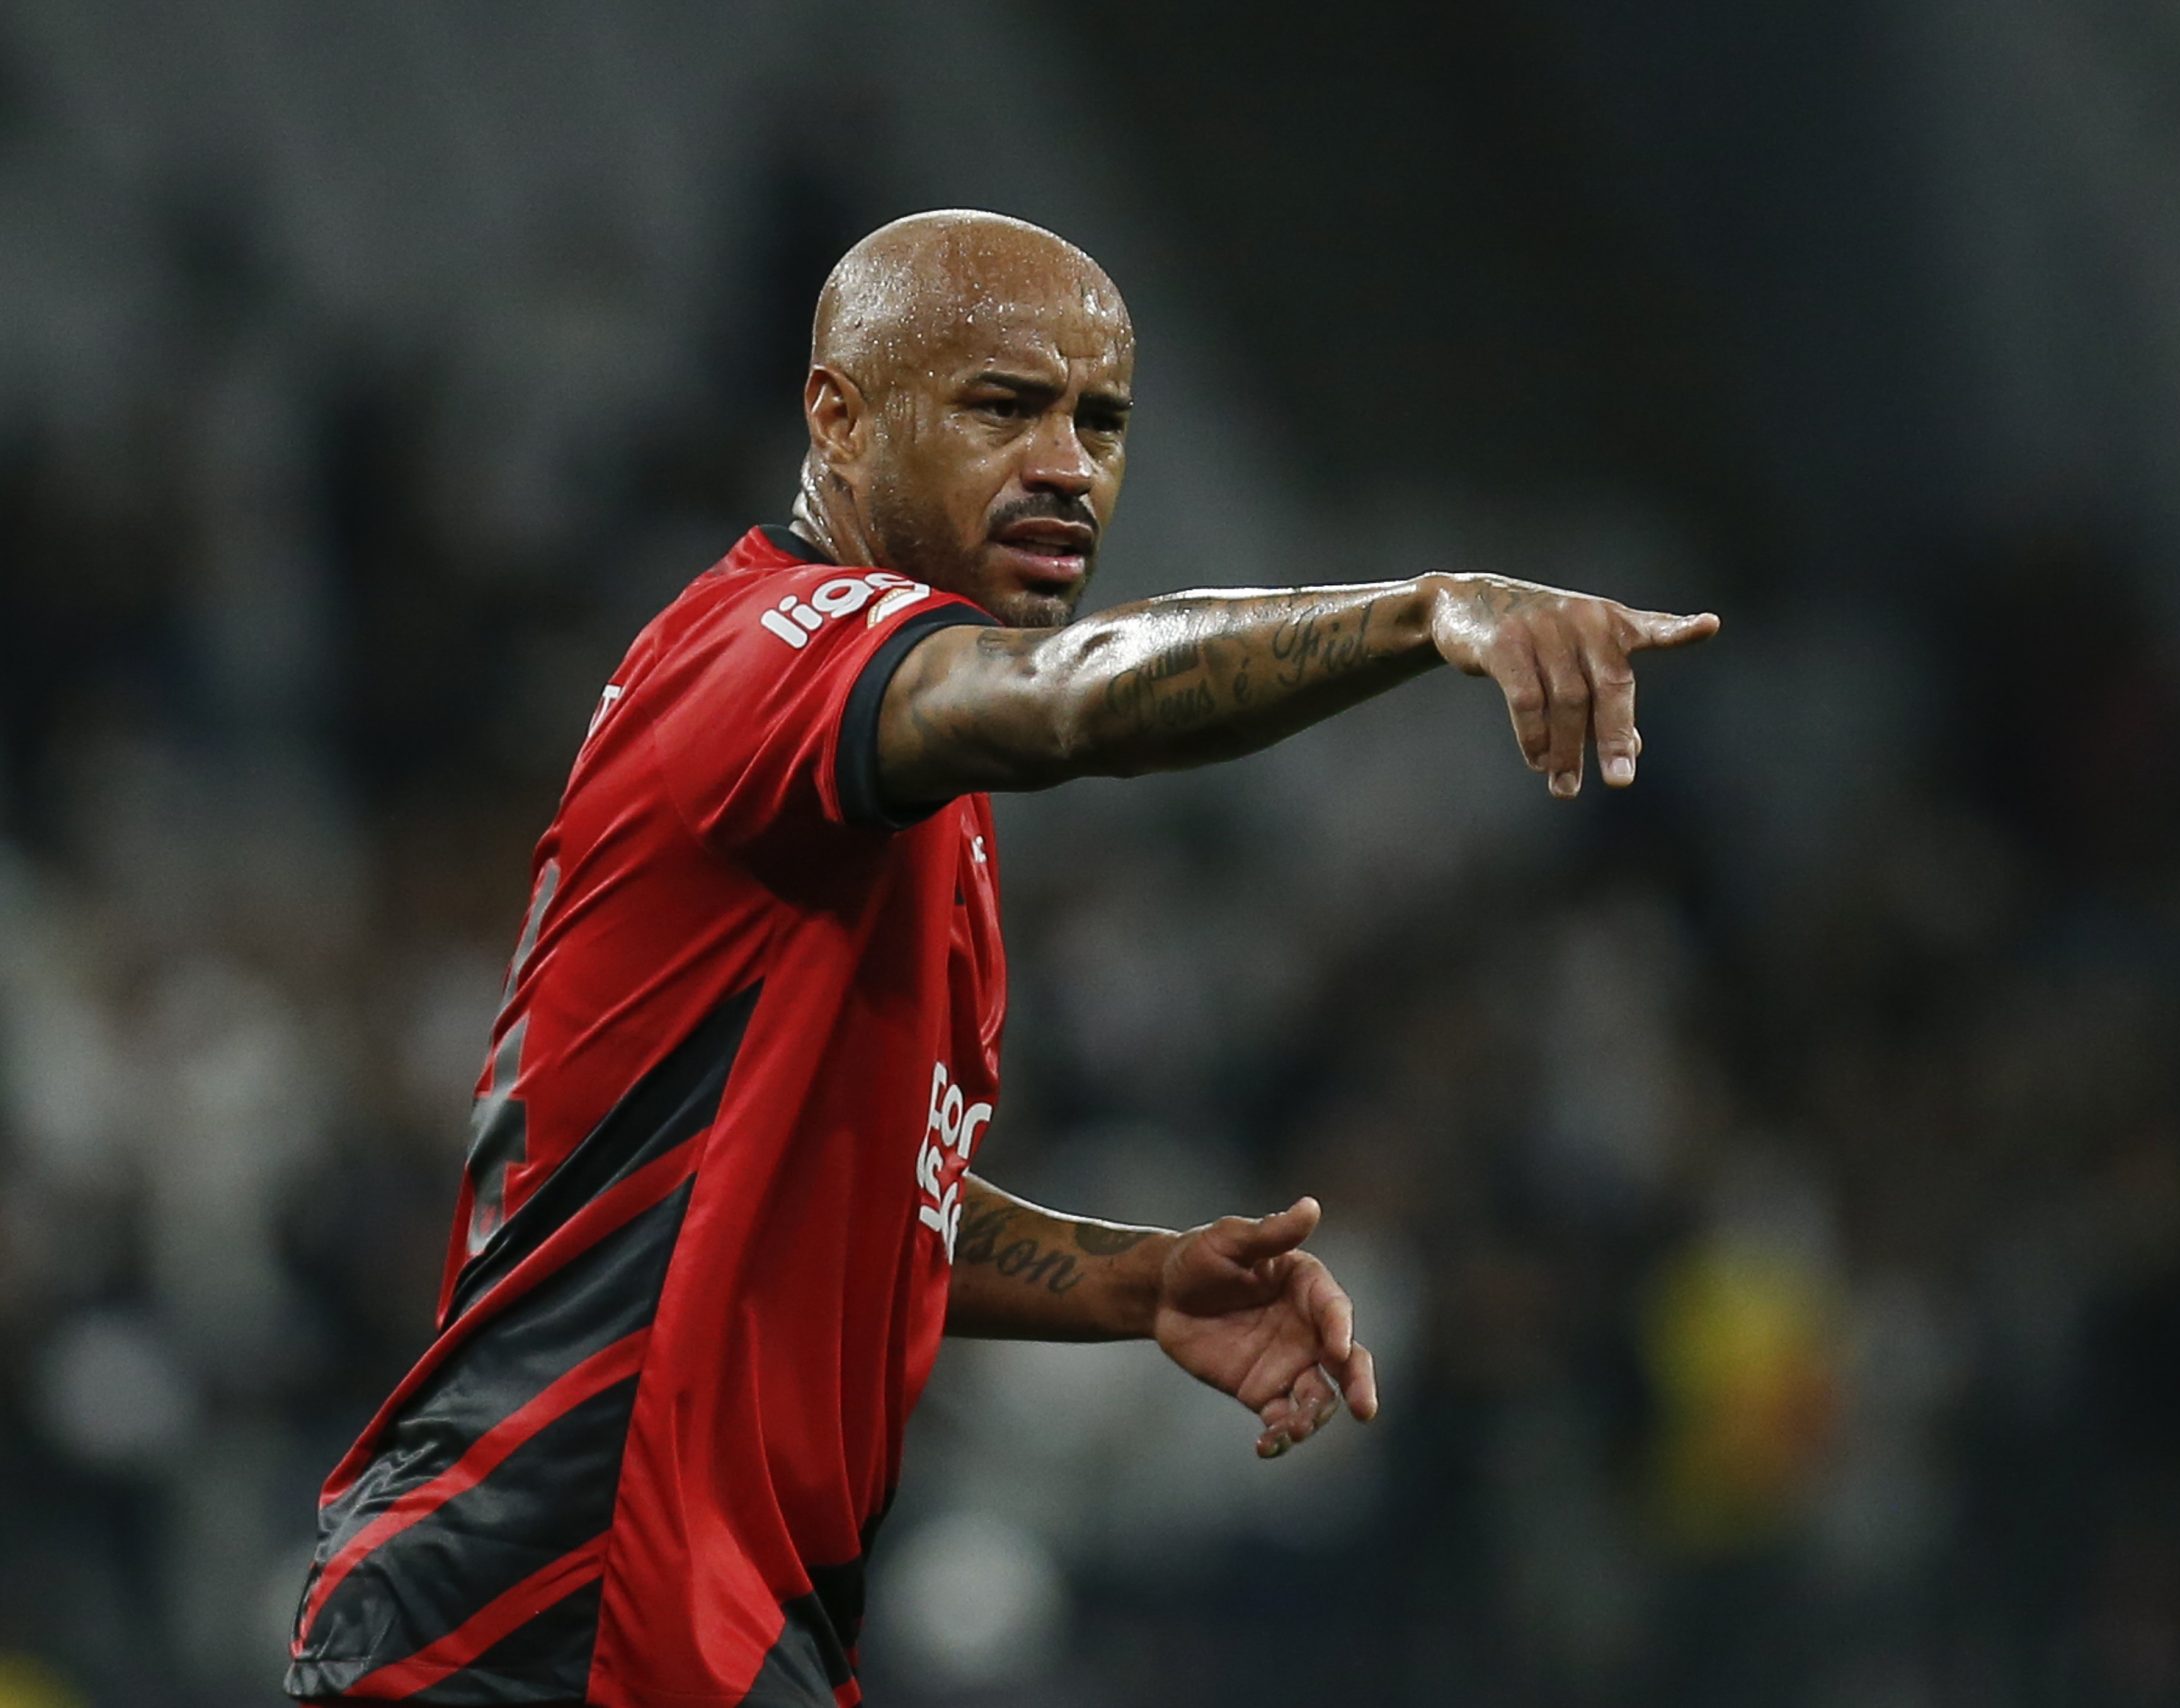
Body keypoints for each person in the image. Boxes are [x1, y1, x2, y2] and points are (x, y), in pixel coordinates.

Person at [283, 209, 1721, 1708]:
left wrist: (1130, 1281)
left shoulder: (884, 785)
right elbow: (1069, 700)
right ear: (837, 419)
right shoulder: (773, 653)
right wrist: (1426, 614)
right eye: (1002, 406)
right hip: (545, 1595)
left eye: (1100, 421)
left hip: (688, 1613)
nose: (1067, 466)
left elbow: (837, 1194)